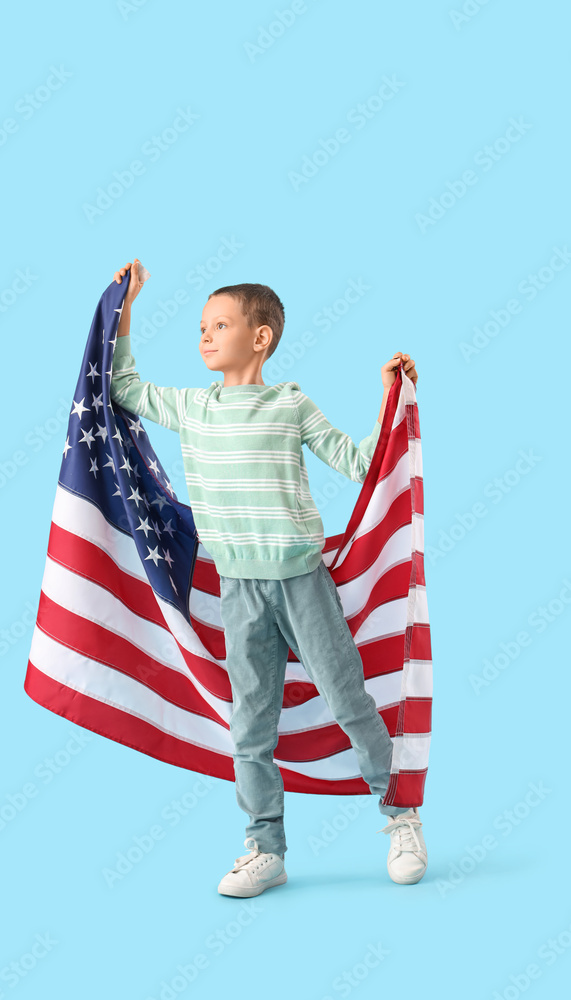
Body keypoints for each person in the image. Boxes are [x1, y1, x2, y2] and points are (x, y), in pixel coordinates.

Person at [110, 259, 427, 897]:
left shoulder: (290, 404)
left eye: (219, 324)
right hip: (238, 589)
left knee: (348, 701)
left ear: (261, 338)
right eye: (201, 325)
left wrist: (389, 398)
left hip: (301, 581)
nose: (204, 335)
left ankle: (402, 817)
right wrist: (125, 306)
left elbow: (361, 463)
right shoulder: (193, 408)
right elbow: (123, 386)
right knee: (250, 724)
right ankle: (264, 846)